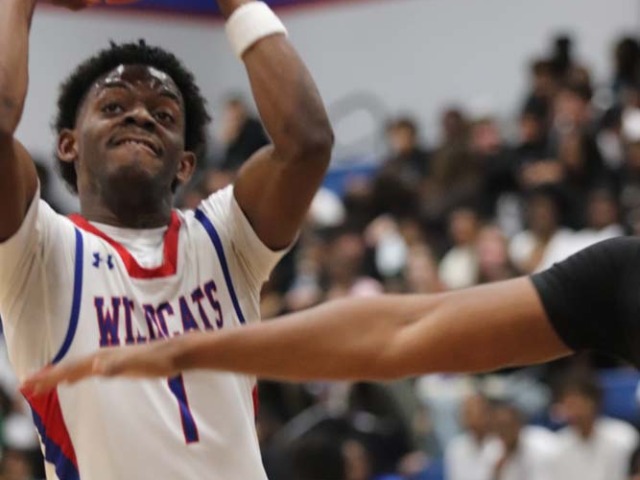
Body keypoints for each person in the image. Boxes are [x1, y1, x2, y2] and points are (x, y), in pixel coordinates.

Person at [1, 0, 332, 479]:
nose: (140, 116)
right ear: (68, 145)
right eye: (113, 106)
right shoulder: (39, 252)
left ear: (185, 164)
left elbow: (308, 143)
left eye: (164, 113)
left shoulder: (226, 239)